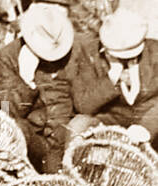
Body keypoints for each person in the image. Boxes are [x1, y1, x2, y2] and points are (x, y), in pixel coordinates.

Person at [0, 4, 80, 172]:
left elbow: (84, 100)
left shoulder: (72, 49)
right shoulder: (9, 56)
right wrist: (26, 79)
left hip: (68, 132)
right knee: (16, 127)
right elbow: (9, 111)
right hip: (37, 138)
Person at [62, 11, 158, 146]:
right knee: (78, 125)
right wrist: (111, 79)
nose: (125, 59)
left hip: (149, 121)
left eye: (130, 55)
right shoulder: (90, 54)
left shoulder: (155, 52)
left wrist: (146, 127)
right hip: (109, 120)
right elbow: (82, 105)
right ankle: (72, 165)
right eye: (119, 56)